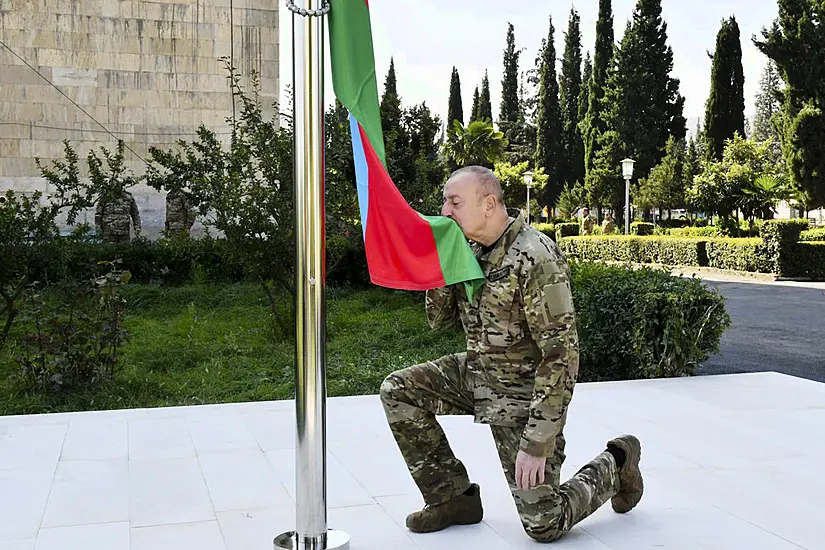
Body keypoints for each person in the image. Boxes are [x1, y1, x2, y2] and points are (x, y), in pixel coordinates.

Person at [379, 166, 642, 543]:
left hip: (523, 395)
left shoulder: (535, 257)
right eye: (444, 202)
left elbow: (561, 355)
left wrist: (537, 443)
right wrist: (438, 263)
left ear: (489, 204)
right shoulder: (465, 248)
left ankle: (617, 463)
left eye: (454, 202)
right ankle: (453, 498)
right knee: (398, 389)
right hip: (477, 373)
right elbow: (438, 319)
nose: (445, 210)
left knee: (543, 523)